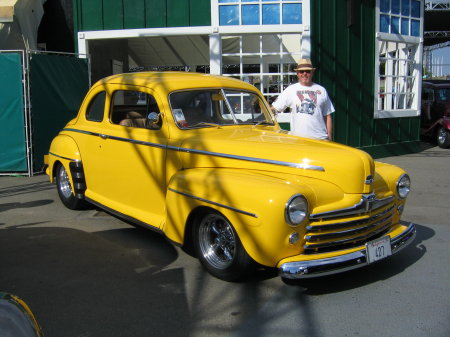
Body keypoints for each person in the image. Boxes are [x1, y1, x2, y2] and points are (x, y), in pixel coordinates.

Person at [271, 59, 335, 140]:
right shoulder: (290, 90)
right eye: (301, 71)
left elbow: (327, 116)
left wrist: (329, 137)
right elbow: (274, 108)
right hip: (299, 140)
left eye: (307, 71)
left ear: (312, 73)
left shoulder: (321, 90)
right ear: (297, 74)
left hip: (320, 139)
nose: (304, 74)